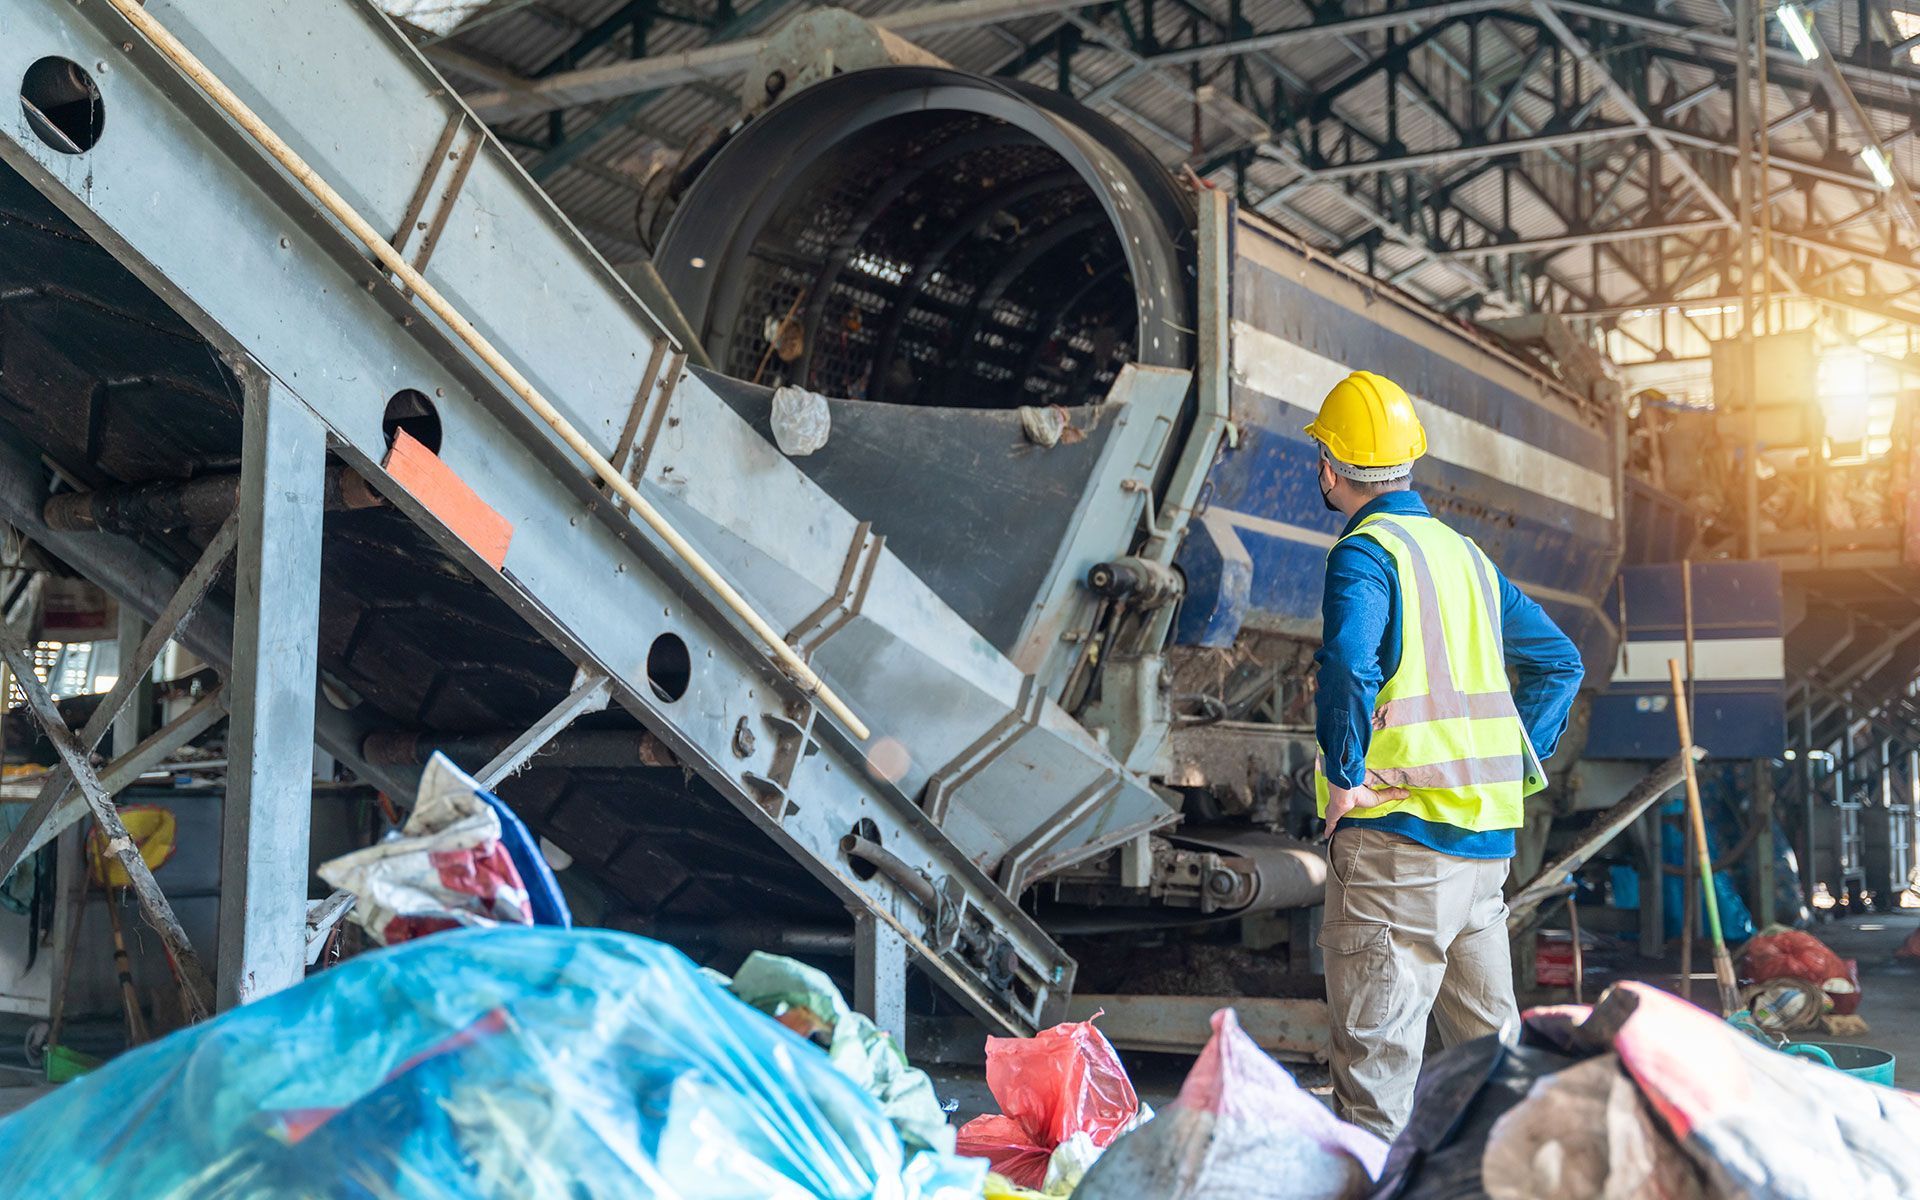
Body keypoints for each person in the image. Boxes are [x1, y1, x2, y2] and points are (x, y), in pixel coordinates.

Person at [1305, 370, 1584, 1141]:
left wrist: (1345, 777)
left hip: (1398, 850)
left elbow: (1349, 668)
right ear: (1409, 461)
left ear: (1329, 466)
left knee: (1374, 1081)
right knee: (1495, 1070)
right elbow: (1562, 662)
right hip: (1482, 861)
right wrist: (1508, 761)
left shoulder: (1363, 554)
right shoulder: (1464, 556)